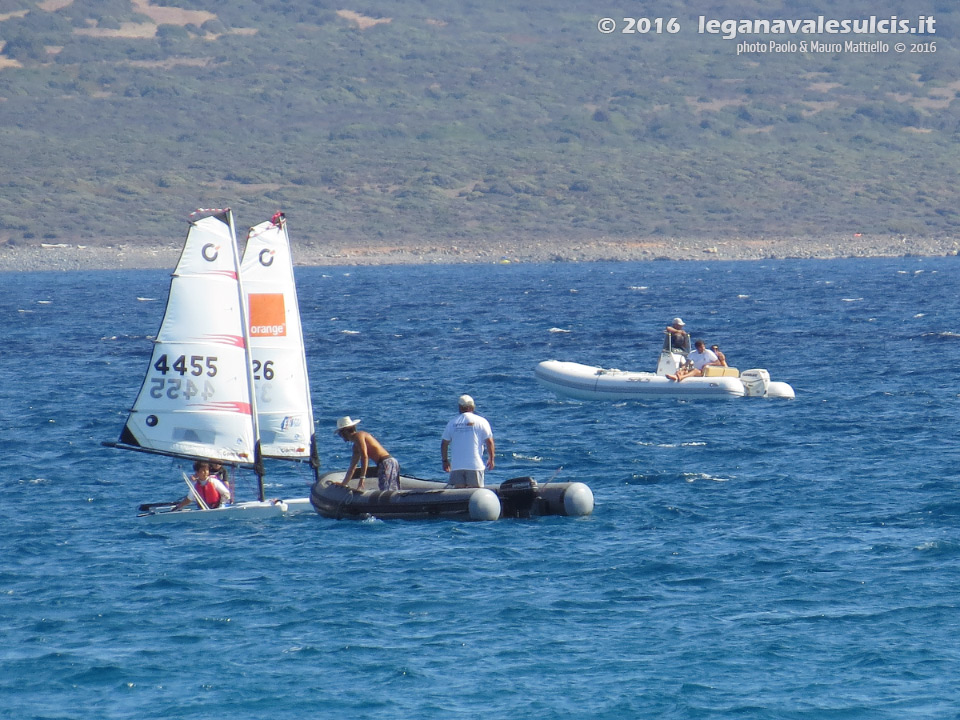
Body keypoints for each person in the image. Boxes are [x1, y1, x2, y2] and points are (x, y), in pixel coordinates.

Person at [441, 394, 495, 488]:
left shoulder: (452, 423)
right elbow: (489, 442)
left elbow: (444, 444)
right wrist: (491, 458)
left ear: (460, 407)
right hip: (474, 465)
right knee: (474, 493)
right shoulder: (482, 421)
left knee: (459, 495)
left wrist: (445, 461)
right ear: (472, 407)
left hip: (457, 466)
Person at [335, 416, 400, 491]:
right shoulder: (355, 446)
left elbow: (364, 456)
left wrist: (362, 478)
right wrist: (344, 483)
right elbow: (352, 467)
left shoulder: (359, 436)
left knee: (387, 491)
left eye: (340, 434)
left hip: (386, 462)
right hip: (388, 462)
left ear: (345, 432)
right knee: (391, 488)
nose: (341, 436)